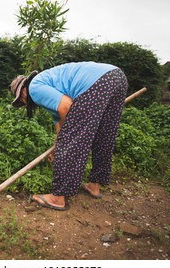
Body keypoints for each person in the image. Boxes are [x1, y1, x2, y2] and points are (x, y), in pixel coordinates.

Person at [10, 61, 128, 211]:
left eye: (21, 101)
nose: (25, 104)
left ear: (23, 92)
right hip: (116, 77)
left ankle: (57, 198)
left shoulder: (35, 88)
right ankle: (94, 186)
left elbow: (66, 106)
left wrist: (65, 140)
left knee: (71, 140)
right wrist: (55, 147)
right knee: (103, 136)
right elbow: (60, 122)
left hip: (97, 83)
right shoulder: (49, 82)